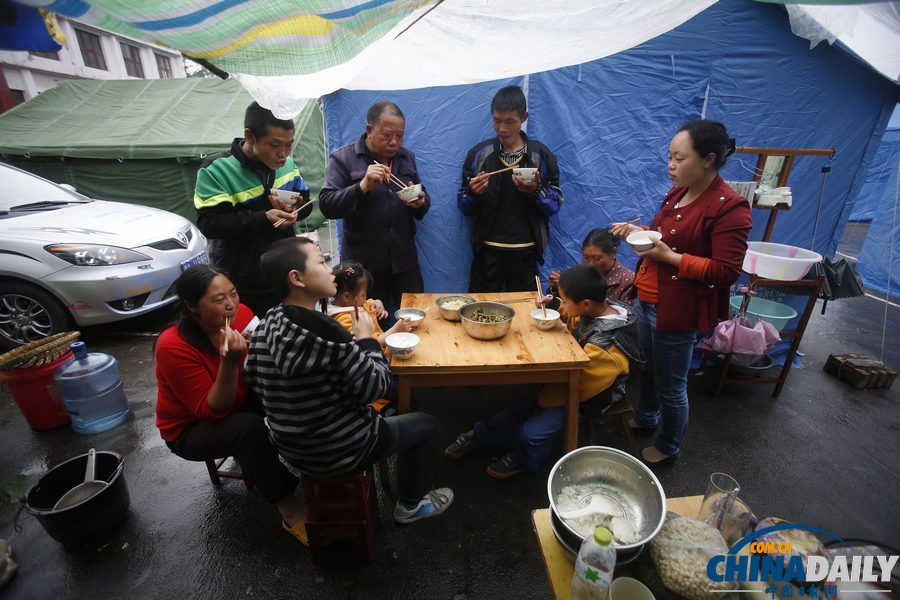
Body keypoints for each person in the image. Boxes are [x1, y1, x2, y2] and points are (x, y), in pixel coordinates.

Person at [244, 237, 453, 524]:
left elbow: (252, 376)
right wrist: (367, 341)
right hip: (343, 448)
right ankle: (412, 504)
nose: (330, 270)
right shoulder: (330, 335)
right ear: (297, 278)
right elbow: (374, 388)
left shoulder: (269, 321)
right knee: (428, 425)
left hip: (291, 449)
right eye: (320, 261)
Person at [610, 119, 752, 465]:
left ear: (709, 159)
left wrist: (670, 257)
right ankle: (646, 418)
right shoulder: (677, 193)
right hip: (646, 297)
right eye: (670, 157)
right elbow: (664, 235)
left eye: (680, 158)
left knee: (672, 385)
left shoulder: (729, 207)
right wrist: (638, 230)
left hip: (678, 307)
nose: (671, 166)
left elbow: (726, 270)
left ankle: (669, 446)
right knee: (646, 368)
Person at [154, 265, 308, 545]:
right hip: (191, 429)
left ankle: (313, 464)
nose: (230, 305)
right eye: (218, 300)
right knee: (249, 429)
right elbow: (211, 412)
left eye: (233, 294)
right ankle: (290, 508)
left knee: (292, 391)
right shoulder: (172, 346)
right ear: (191, 306)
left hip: (237, 398)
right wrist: (229, 362)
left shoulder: (243, 314)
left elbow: (266, 361)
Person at [444, 264, 642, 478]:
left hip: (591, 399)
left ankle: (525, 460)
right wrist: (556, 304)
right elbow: (576, 317)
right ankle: (480, 434)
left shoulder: (607, 348)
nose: (563, 304)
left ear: (585, 303)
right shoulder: (599, 306)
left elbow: (578, 389)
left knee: (531, 431)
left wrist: (539, 397)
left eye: (565, 300)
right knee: (518, 408)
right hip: (569, 380)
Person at [194, 101, 314, 316]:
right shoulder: (218, 169)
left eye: (289, 144)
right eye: (276, 145)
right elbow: (209, 224)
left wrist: (297, 210)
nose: (284, 154)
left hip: (285, 273)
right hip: (244, 280)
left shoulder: (286, 164)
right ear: (250, 136)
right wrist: (263, 217)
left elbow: (304, 201)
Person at [319, 101, 429, 318]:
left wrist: (420, 202)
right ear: (369, 130)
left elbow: (422, 202)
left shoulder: (406, 157)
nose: (394, 142)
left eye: (400, 136)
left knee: (415, 320)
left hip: (404, 260)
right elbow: (327, 205)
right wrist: (362, 187)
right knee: (370, 326)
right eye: (388, 135)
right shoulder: (344, 158)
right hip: (363, 270)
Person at [457, 85, 563, 293]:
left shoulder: (540, 155)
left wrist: (535, 190)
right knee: (480, 312)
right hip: (487, 250)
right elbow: (462, 204)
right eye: (497, 121)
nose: (502, 129)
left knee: (525, 314)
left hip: (526, 251)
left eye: (509, 122)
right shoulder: (480, 154)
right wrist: (474, 193)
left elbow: (555, 203)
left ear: (524, 117)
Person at [321, 262, 412, 350]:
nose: (366, 298)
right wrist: (396, 329)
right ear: (347, 297)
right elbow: (370, 343)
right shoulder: (345, 320)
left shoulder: (352, 304)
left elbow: (366, 303)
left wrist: (376, 302)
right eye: (363, 295)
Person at [547, 228, 636, 307]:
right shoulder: (582, 273)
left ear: (613, 252)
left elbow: (627, 319)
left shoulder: (629, 282)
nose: (590, 264)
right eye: (586, 257)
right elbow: (566, 304)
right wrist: (558, 288)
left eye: (597, 258)